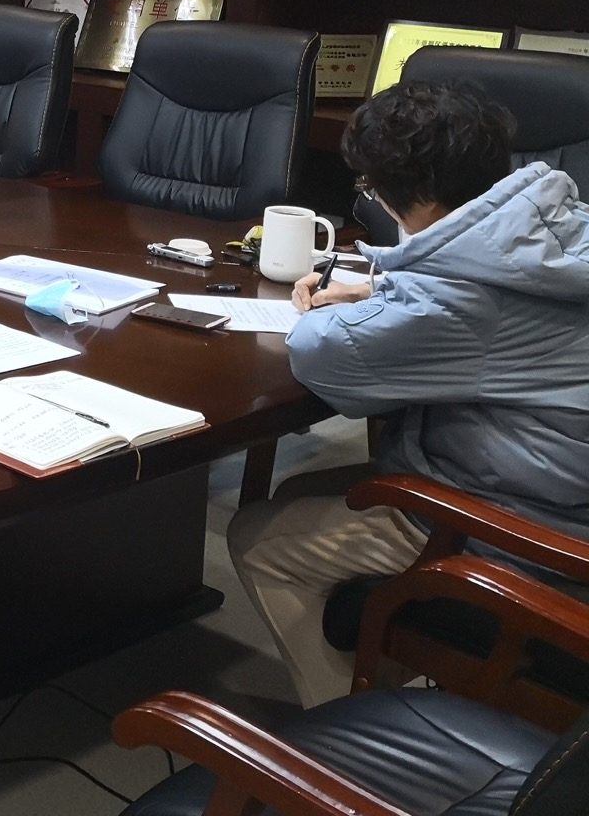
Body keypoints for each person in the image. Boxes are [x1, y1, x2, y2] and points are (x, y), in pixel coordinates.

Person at [227, 81, 589, 707]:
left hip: (530, 536)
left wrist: (347, 302)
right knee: (301, 494)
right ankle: (395, 680)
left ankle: (346, 736)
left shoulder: (456, 304)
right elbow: (488, 297)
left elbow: (320, 351)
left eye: (370, 189)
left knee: (259, 539)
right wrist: (381, 289)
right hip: (565, 494)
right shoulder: (555, 228)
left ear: (413, 196)